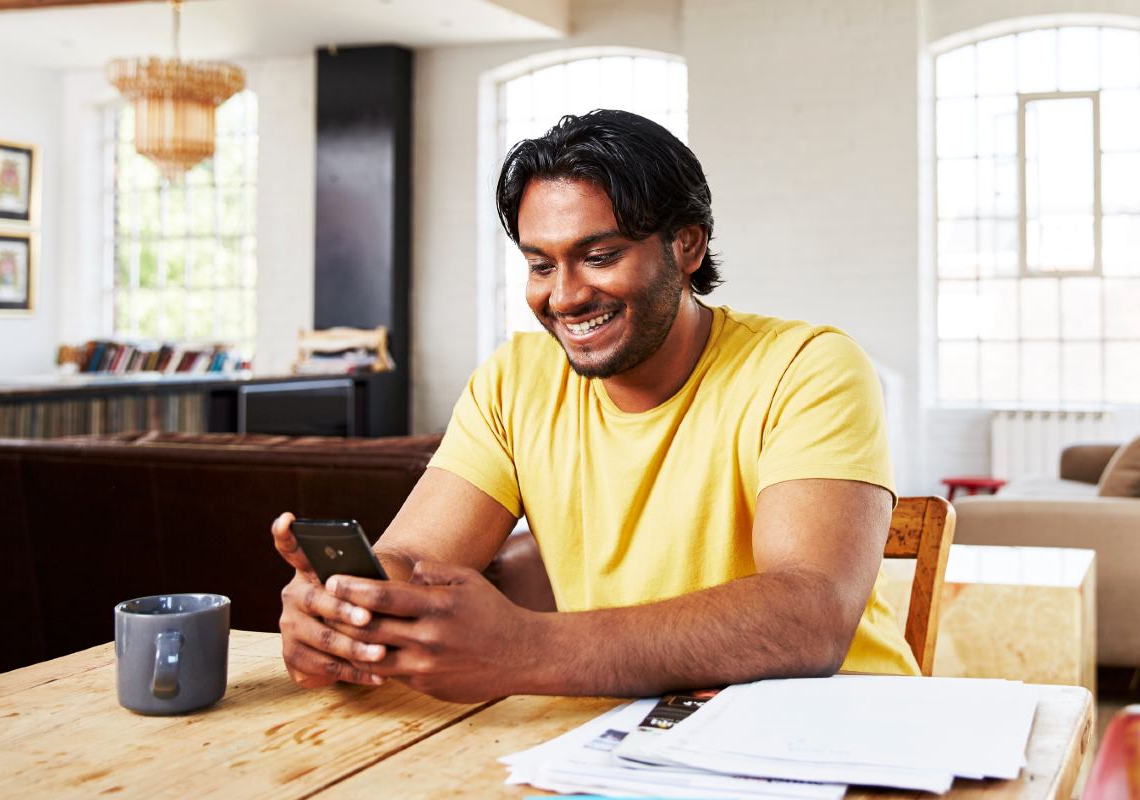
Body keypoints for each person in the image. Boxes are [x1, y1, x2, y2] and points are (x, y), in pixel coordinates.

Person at [272, 109, 916, 704]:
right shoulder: (513, 382)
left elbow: (810, 616)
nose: (566, 296)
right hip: (634, 736)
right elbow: (413, 560)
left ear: (687, 246)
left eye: (599, 256)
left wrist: (525, 648)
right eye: (540, 265)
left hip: (839, 731)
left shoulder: (807, 367)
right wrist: (349, 605)